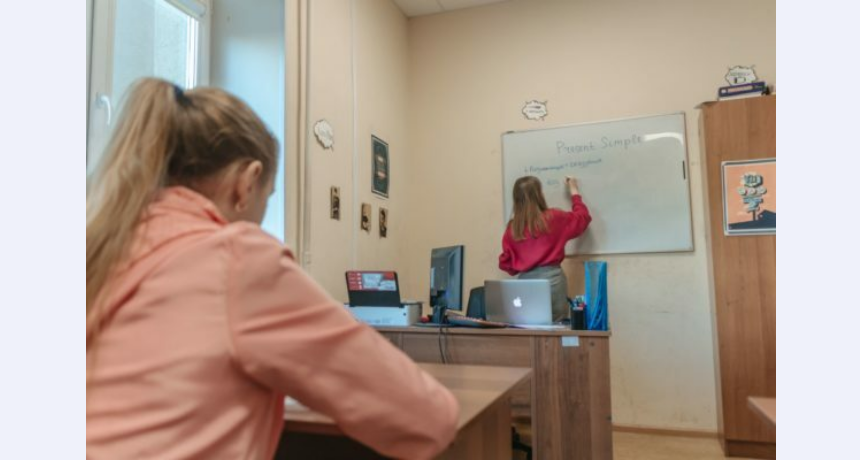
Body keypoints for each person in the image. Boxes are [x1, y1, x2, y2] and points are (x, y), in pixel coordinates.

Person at [86, 78, 458, 460]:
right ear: (246, 184)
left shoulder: (98, 249)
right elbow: (430, 417)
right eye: (268, 198)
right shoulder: (237, 259)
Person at [498, 175, 592, 321]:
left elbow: (507, 265)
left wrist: (524, 261)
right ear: (539, 195)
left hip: (524, 288)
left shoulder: (512, 228)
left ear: (516, 199)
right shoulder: (554, 217)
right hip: (553, 283)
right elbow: (583, 218)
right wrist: (574, 190)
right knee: (556, 329)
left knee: (526, 327)